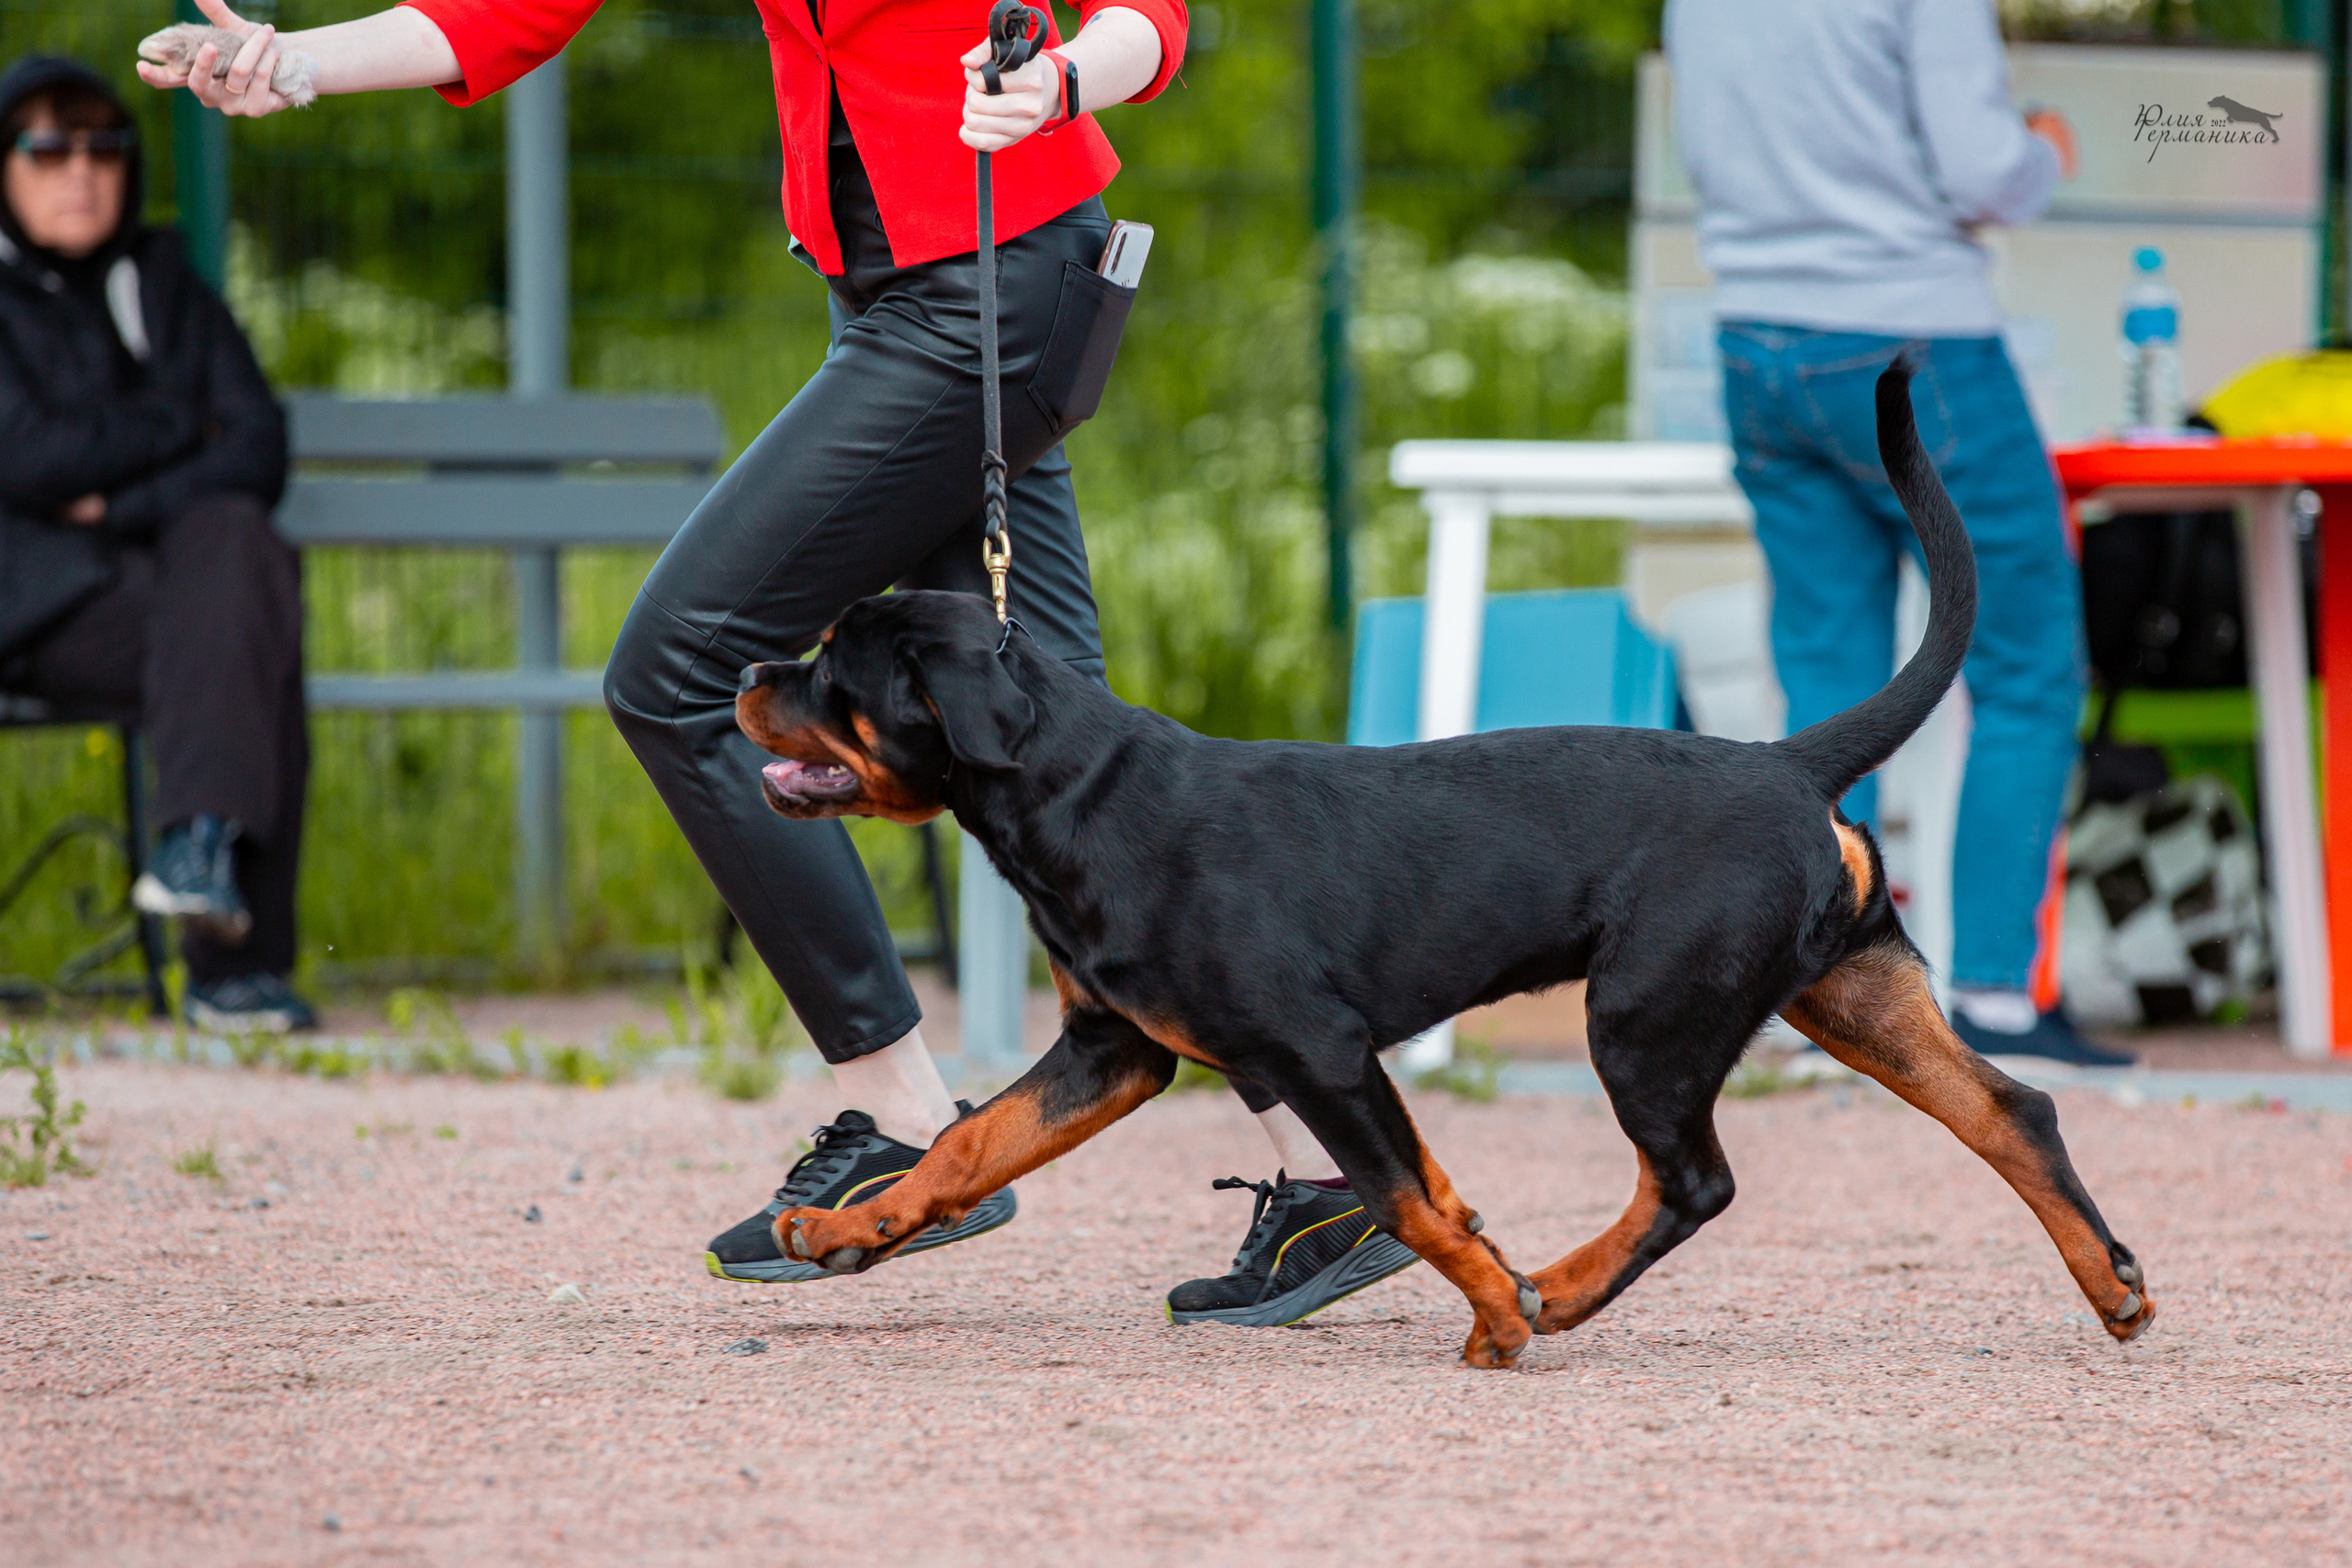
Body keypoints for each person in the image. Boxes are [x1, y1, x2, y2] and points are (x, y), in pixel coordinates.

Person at [141, 0, 1420, 1317]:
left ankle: (903, 1115)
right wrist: (293, 62)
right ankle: (1330, 1166)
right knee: (1062, 750)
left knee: (685, 668)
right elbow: (506, 10)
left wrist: (1061, 84)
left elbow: (1146, 17)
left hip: (987, 289)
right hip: (906, 297)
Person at [1665, 0, 2128, 1066]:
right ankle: (1998, 1008)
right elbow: (1979, 170)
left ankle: (1811, 989)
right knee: (2024, 665)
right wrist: (2041, 154)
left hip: (1754, 343)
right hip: (1911, 333)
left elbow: (1708, 148)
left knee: (1827, 686)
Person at [0, 54, 313, 1034]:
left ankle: (199, 860)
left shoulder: (166, 278)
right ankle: (231, 963)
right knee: (245, 603)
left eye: (104, 146)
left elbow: (258, 442)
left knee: (239, 551)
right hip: (36, 603)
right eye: (48, 148)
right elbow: (28, 459)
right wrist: (180, 422)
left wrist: (112, 498)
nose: (80, 170)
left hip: (160, 594)